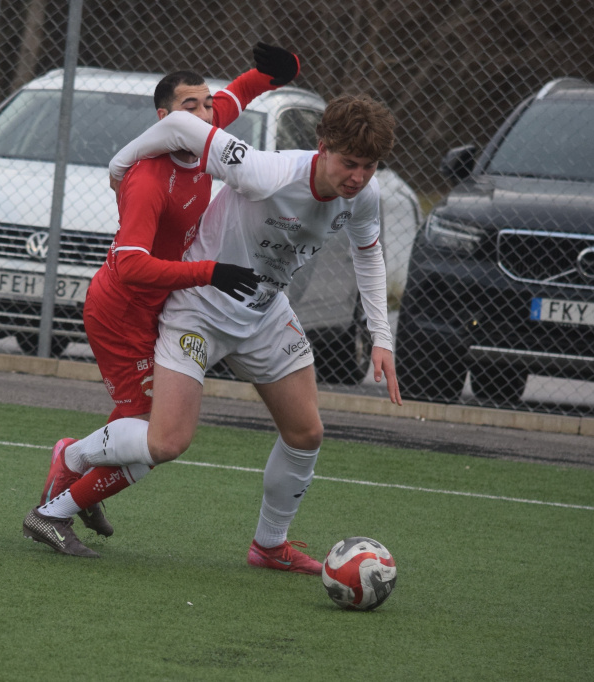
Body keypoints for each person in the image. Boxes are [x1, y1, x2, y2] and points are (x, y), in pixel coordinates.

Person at [27, 92, 402, 571]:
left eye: (369, 167)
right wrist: (119, 166)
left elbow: (368, 254)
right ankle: (71, 463)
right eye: (349, 163)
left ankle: (269, 546)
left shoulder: (364, 196)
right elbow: (180, 126)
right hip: (200, 309)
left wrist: (381, 337)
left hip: (264, 313)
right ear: (322, 146)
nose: (358, 177)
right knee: (166, 442)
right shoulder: (265, 171)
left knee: (306, 433)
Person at [22, 43, 302, 558]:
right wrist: (210, 272)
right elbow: (130, 265)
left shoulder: (205, 137)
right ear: (164, 120)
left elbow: (237, 94)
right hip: (121, 312)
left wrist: (274, 74)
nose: (204, 115)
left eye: (206, 105)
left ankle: (73, 487)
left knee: (149, 428)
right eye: (189, 107)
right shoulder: (149, 178)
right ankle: (61, 489)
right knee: (156, 433)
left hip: (158, 306)